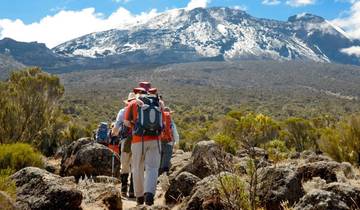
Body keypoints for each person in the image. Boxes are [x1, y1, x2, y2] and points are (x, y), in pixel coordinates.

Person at [124, 83, 165, 206]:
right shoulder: (158, 102)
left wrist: (136, 127)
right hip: (155, 139)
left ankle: (140, 197)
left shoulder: (132, 103)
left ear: (138, 91)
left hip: (138, 140)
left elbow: (126, 122)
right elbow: (161, 122)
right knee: (152, 167)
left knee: (137, 168)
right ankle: (149, 195)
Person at [112, 92, 136, 198]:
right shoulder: (140, 110)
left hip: (125, 141)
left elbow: (116, 129)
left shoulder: (122, 111)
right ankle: (132, 192)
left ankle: (123, 190)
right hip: (138, 141)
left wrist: (114, 133)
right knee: (135, 167)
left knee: (125, 166)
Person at [159, 107, 179, 175]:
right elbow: (175, 134)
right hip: (169, 142)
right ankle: (163, 174)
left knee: (160, 158)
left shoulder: (159, 121)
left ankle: (158, 173)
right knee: (166, 160)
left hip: (159, 142)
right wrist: (176, 143)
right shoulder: (171, 122)